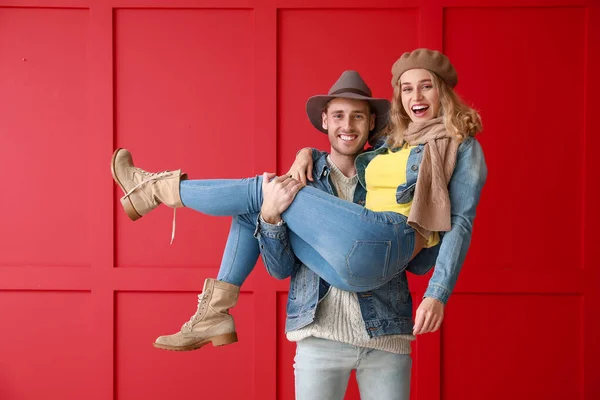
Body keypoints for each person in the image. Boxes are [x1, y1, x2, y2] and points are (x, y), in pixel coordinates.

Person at [111, 48, 486, 356]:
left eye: (425, 87)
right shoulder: (395, 142)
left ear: (443, 92)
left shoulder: (460, 144)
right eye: (406, 89)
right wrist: (306, 151)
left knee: (263, 188)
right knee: (257, 207)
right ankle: (215, 312)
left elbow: (461, 221)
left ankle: (153, 189)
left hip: (394, 239)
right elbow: (348, 143)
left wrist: (437, 295)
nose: (416, 97)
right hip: (358, 267)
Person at [256, 70, 439, 400]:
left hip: (386, 339)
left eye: (358, 116)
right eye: (338, 115)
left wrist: (431, 213)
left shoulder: (395, 177)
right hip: (319, 339)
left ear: (371, 123)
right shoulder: (302, 183)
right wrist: (270, 217)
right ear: (325, 120)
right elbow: (280, 269)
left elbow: (421, 264)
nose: (347, 126)